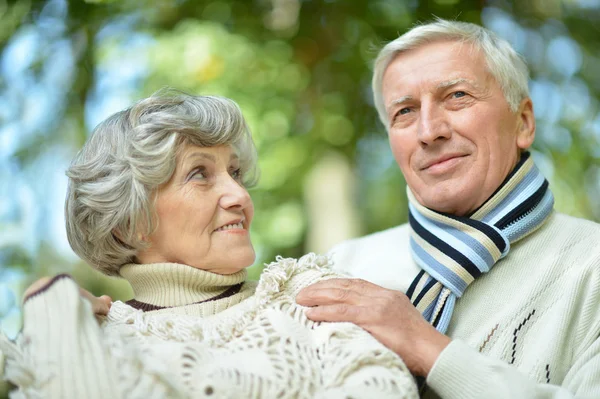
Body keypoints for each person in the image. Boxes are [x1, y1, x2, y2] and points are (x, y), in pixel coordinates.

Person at [0, 91, 419, 398]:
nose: (239, 195)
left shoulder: (308, 297)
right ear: (130, 223)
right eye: (199, 174)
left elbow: (385, 388)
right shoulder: (85, 337)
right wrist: (52, 312)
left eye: (234, 172)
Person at [296, 19, 600, 399]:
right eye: (404, 111)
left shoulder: (591, 267)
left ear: (523, 122)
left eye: (457, 96)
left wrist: (426, 347)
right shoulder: (341, 266)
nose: (429, 131)